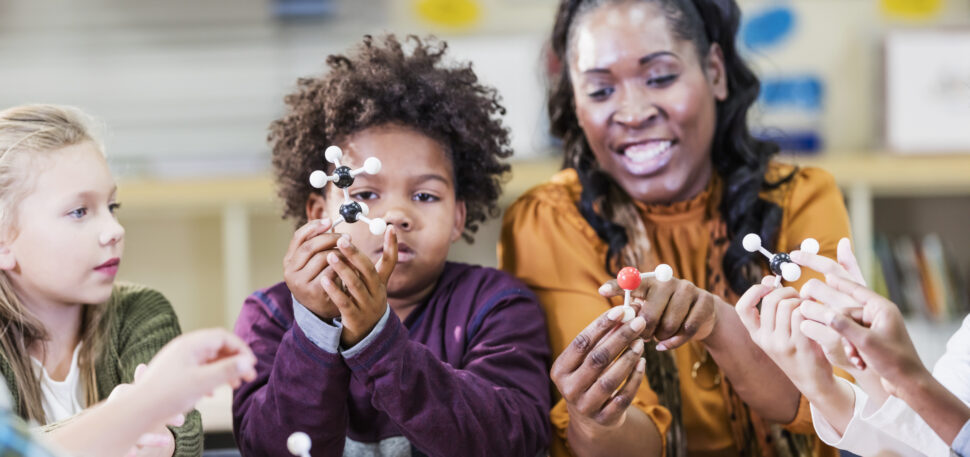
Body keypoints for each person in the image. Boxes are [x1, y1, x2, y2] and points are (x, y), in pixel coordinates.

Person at [499, 0, 850, 455]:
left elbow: (834, 405)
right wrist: (595, 420)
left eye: (660, 77)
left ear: (716, 73)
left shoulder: (800, 199)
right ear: (576, 105)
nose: (633, 112)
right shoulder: (549, 222)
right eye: (601, 91)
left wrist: (716, 322)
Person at [232, 35, 551, 457]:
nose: (396, 216)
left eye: (425, 196)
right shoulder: (271, 316)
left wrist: (377, 339)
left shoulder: (497, 307)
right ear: (317, 214)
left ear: (458, 216)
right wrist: (314, 326)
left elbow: (513, 440)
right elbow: (271, 448)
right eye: (364, 195)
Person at [0, 104, 202, 457]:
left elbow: (183, 433)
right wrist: (116, 419)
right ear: (4, 242)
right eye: (79, 211)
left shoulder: (141, 312)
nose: (114, 230)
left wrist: (162, 442)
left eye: (112, 206)